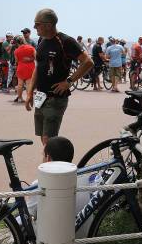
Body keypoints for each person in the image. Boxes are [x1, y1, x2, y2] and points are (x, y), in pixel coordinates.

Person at [0, 136, 97, 244]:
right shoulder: (85, 179)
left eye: (43, 155)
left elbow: (25, 220)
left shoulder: (41, 184)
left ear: (48, 158)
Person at [25, 8, 93, 147]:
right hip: (40, 98)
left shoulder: (66, 41)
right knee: (43, 139)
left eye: (37, 24)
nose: (34, 27)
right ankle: (48, 165)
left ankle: (49, 166)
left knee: (48, 140)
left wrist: (68, 82)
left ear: (48, 25)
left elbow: (88, 62)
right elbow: (38, 68)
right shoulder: (41, 41)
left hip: (55, 99)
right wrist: (30, 92)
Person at [14, 36, 36, 103]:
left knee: (20, 84)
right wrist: (30, 59)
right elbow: (36, 57)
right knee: (28, 85)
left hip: (20, 68)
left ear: (17, 42)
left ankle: (20, 98)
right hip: (30, 68)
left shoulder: (16, 51)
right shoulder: (31, 48)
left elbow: (16, 61)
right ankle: (28, 98)